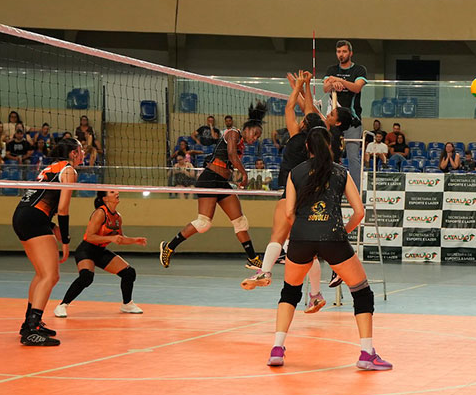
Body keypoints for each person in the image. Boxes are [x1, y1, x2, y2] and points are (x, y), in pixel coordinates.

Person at [273, 113, 390, 370]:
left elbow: (289, 212)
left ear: (307, 147)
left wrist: (304, 231)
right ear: (331, 146)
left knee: (290, 291)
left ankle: (277, 348)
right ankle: (366, 353)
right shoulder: (341, 172)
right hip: (333, 236)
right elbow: (359, 213)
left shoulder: (295, 173)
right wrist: (343, 232)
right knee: (361, 291)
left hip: (301, 237)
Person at [242, 71, 328, 312]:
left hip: (291, 192)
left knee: (277, 237)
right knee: (305, 249)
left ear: (303, 125)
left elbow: (290, 109)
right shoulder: (320, 139)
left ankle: (265, 272)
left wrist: (297, 87)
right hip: (310, 196)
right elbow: (309, 110)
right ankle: (315, 295)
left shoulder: (297, 137)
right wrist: (306, 87)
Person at [160, 103, 266, 269]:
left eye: (258, 137)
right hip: (209, 178)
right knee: (203, 223)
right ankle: (169, 246)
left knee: (240, 221)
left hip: (222, 183)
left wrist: (236, 175)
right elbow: (230, 154)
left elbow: (230, 160)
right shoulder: (233, 133)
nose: (255, 138)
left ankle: (252, 258)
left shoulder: (242, 144)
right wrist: (244, 173)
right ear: (247, 128)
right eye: (255, 134)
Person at [12, 138, 83, 346]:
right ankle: (31, 329)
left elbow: (42, 202)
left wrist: (53, 228)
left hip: (23, 216)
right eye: (80, 151)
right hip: (34, 219)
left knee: (42, 274)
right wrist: (66, 240)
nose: (83, 154)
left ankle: (29, 323)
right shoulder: (69, 171)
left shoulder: (51, 168)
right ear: (72, 153)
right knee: (51, 276)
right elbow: (62, 208)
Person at [54, 190, 147, 318]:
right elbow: (90, 237)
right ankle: (62, 305)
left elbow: (119, 238)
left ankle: (127, 304)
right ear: (105, 198)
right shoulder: (100, 213)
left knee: (129, 272)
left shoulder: (117, 217)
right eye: (112, 192)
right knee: (86, 277)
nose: (117, 193)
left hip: (100, 251)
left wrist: (134, 240)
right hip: (86, 250)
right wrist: (110, 239)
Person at [323, 39, 369, 187]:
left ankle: (355, 189)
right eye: (338, 52)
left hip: (353, 120)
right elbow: (325, 88)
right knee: (330, 153)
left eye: (343, 51)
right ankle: (329, 185)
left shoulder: (359, 70)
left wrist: (339, 81)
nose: (341, 54)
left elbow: (356, 88)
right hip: (333, 120)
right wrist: (332, 83)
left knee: (353, 156)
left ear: (350, 53)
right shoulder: (331, 69)